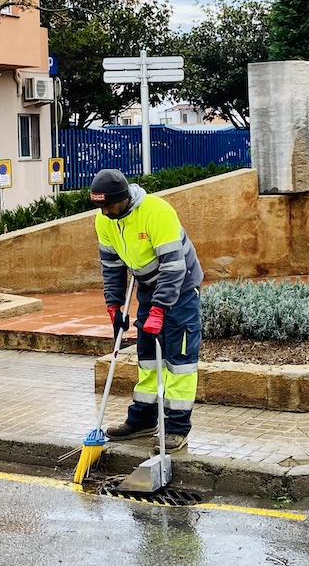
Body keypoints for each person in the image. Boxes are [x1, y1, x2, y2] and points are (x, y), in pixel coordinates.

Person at [90, 168, 204, 452]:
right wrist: (113, 305)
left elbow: (173, 266)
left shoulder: (157, 212)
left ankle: (177, 428)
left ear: (123, 198)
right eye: (99, 206)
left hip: (181, 287)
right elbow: (112, 266)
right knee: (148, 358)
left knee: (179, 360)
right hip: (147, 285)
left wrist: (159, 309)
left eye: (107, 205)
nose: (103, 212)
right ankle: (143, 420)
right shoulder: (105, 220)